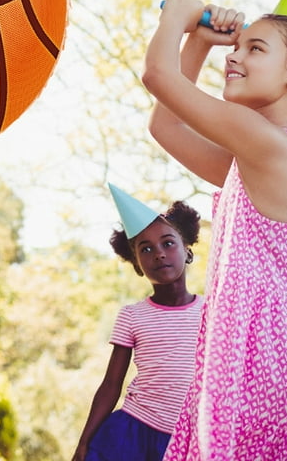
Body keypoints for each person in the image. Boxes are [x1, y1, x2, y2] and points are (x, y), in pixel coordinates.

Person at [141, 0, 287, 460]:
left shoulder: (270, 146)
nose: (235, 57)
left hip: (268, 374)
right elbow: (164, 125)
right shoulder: (257, 157)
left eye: (255, 49)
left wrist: (179, 12)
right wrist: (201, 44)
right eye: (237, 47)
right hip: (250, 368)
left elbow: (156, 76)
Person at [73, 188, 204, 461]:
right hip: (130, 434)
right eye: (146, 249)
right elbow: (111, 384)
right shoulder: (132, 316)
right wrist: (84, 442)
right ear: (136, 265)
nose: (158, 253)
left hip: (189, 438)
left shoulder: (214, 311)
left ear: (187, 251)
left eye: (168, 243)